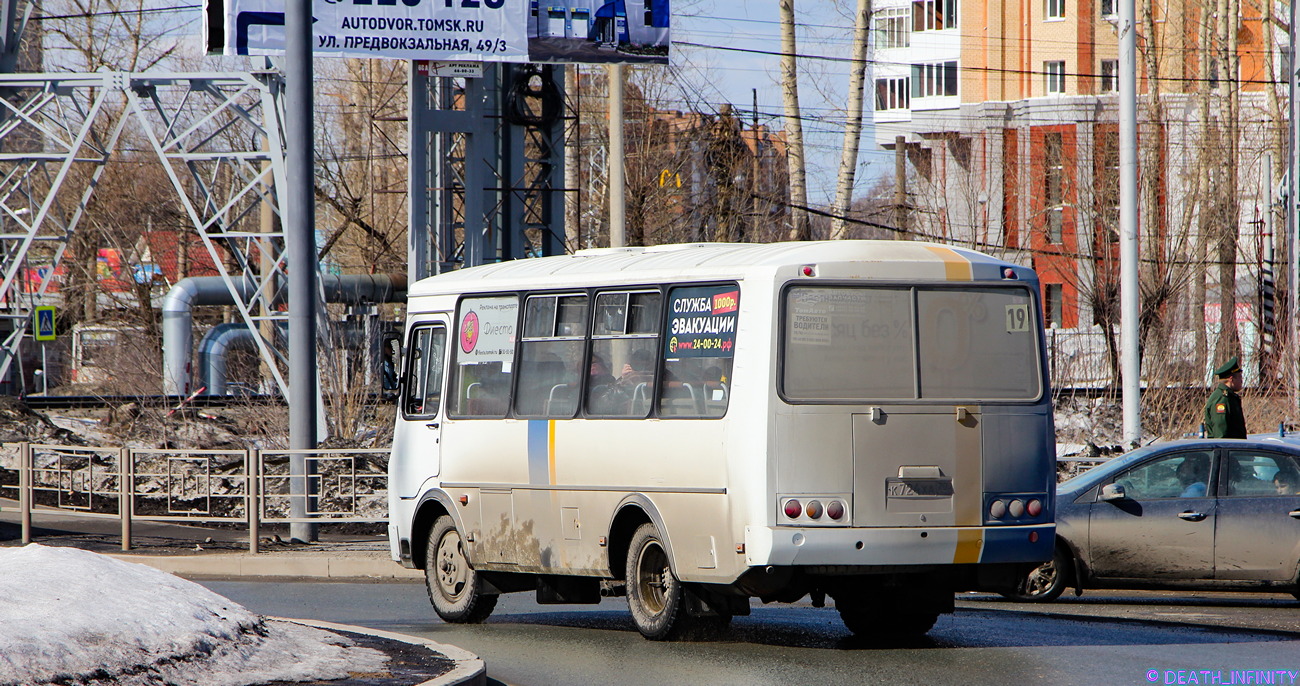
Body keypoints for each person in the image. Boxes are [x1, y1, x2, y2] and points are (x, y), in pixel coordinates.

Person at [1203, 356, 1246, 439]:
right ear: (1231, 379)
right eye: (1240, 377)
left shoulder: (1230, 397)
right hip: (1227, 450)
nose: (1241, 381)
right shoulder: (1221, 399)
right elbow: (1220, 435)